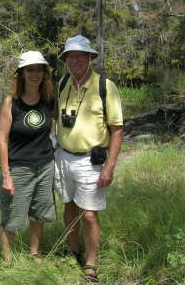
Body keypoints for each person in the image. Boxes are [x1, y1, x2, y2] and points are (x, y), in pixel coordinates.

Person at [55, 36, 123, 282]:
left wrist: (110, 167)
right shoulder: (62, 83)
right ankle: (73, 250)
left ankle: (91, 263)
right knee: (69, 206)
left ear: (90, 58)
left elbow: (116, 129)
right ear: (65, 60)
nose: (75, 60)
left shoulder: (105, 86)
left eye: (81, 55)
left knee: (90, 214)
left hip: (90, 161)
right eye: (70, 56)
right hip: (62, 157)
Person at [0, 51, 56, 265]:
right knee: (12, 217)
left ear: (44, 73)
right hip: (18, 168)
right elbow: (2, 140)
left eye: (39, 69)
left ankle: (34, 253)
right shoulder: (10, 103)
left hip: (46, 165)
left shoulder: (49, 100)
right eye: (30, 69)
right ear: (21, 74)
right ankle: (7, 261)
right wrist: (6, 176)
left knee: (40, 214)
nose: (35, 74)